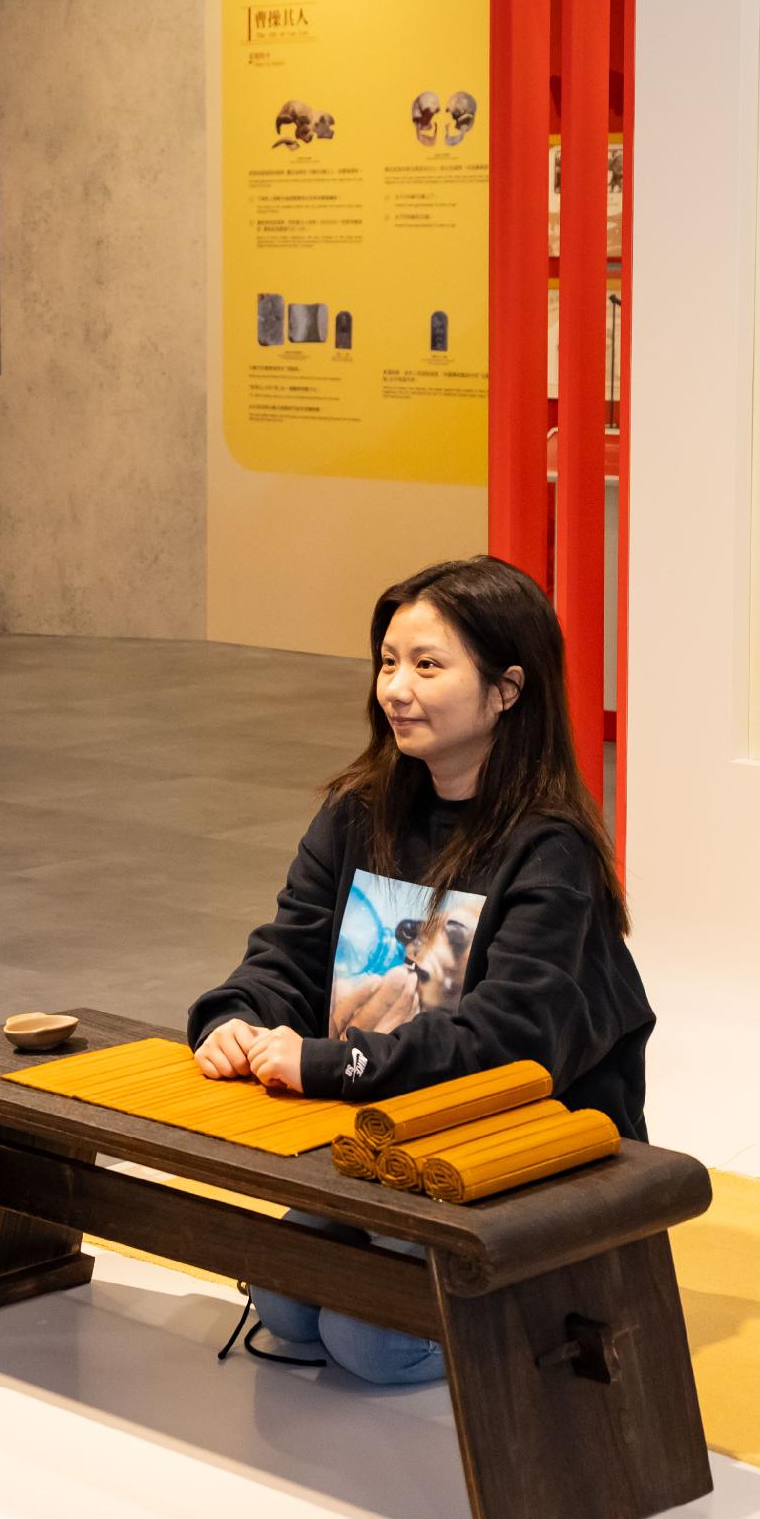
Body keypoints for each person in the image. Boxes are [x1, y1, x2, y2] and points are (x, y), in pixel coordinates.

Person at [186, 555, 651, 1386]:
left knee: (371, 1341)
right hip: (384, 1143)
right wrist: (235, 1019)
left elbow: (507, 1042)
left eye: (428, 666)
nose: (395, 689)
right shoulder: (358, 811)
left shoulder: (551, 851)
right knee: (286, 1301)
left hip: (511, 1153)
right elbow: (288, 953)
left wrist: (333, 1064)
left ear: (506, 689)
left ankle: (523, 1308)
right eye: (388, 663)